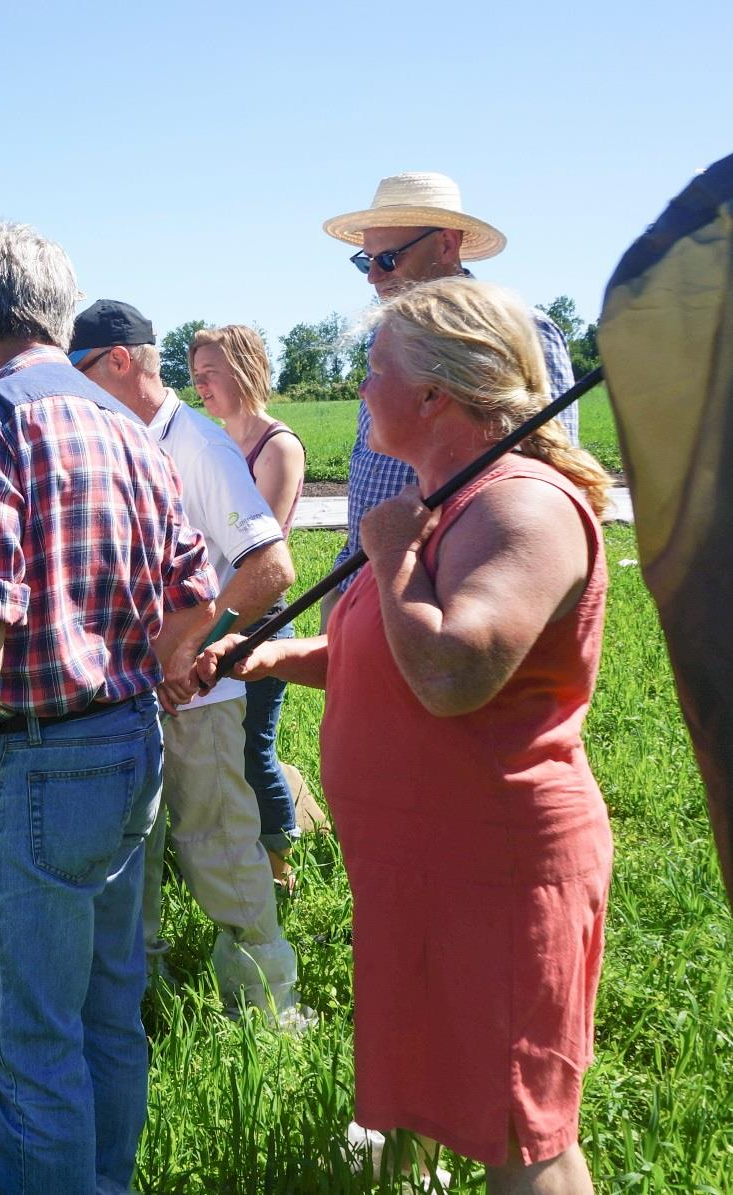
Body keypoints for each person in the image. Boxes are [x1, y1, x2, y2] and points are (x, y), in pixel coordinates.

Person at [198, 276, 614, 1193]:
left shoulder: (521, 507)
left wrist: (391, 552)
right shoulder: (445, 499)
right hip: (425, 862)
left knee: (522, 1130)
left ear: (434, 393)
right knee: (430, 1087)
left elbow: (454, 672)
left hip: (497, 866)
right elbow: (387, 647)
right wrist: (273, 658)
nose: (359, 388)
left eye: (372, 369)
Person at [0, 223, 219, 1193]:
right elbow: (198, 585)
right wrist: (159, 666)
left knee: (28, 1049)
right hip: (129, 742)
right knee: (105, 1019)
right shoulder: (125, 422)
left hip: (33, 758)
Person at [70, 300, 307, 1023]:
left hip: (195, 698)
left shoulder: (198, 445)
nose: (76, 393)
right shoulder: (120, 439)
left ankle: (266, 1004)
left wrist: (193, 648)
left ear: (118, 361)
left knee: (220, 844)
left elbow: (271, 565)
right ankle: (136, 993)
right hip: (129, 693)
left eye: (82, 373)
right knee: (130, 853)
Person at [321, 171, 578, 626]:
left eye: (388, 259)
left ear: (445, 244)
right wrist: (347, 582)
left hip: (451, 599)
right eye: (365, 262)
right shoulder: (386, 336)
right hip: (365, 580)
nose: (373, 277)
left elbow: (550, 473)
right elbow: (372, 470)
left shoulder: (519, 332)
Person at [190, 325, 307, 886]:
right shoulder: (217, 440)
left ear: (243, 370)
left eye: (210, 372)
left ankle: (279, 861)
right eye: (195, 374)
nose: (199, 384)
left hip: (256, 620)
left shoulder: (276, 445)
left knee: (254, 745)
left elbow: (260, 551)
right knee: (226, 742)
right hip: (214, 609)